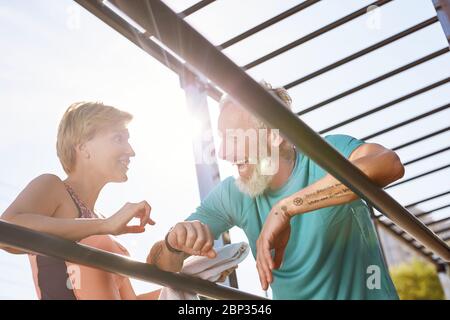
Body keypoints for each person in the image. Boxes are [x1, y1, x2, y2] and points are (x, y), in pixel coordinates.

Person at [148, 82, 405, 299]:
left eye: (235, 138)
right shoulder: (233, 193)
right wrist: (173, 243)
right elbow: (159, 266)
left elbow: (388, 165)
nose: (224, 153)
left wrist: (286, 208)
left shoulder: (324, 156)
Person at [1, 102, 160, 299]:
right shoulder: (53, 187)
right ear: (83, 147)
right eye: (118, 138)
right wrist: (105, 224)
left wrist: (193, 289)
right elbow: (7, 231)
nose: (131, 151)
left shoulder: (102, 223)